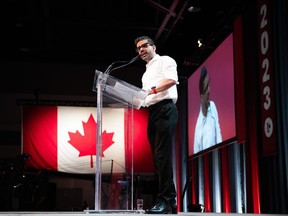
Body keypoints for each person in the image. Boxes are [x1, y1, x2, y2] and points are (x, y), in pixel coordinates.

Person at [134, 36, 178, 214]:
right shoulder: (145, 73)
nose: (141, 50)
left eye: (144, 46)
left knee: (162, 156)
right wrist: (137, 100)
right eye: (138, 48)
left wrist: (150, 90)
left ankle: (165, 200)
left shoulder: (165, 60)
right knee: (158, 158)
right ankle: (171, 199)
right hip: (152, 112)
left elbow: (171, 80)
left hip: (165, 109)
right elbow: (147, 97)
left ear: (154, 47)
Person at [193, 66, 222, 154]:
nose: (209, 90)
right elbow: (196, 153)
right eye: (206, 88)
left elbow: (218, 135)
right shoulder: (198, 128)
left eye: (208, 84)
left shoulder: (212, 106)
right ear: (201, 97)